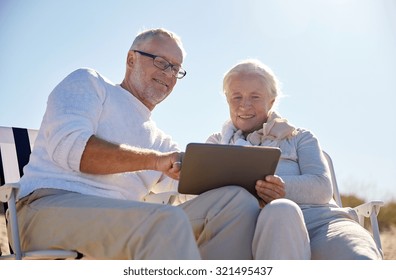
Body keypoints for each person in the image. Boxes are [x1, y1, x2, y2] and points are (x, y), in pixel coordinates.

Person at [14, 28, 260, 260]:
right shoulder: (90, 83)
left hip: (123, 223)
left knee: (237, 203)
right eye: (161, 62)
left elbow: (187, 191)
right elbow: (71, 149)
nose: (168, 73)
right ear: (131, 59)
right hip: (46, 208)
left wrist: (253, 183)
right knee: (166, 221)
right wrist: (154, 161)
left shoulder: (160, 141)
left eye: (176, 68)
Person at [206, 59, 382, 260]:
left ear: (271, 101)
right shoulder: (217, 143)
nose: (244, 105)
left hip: (320, 223)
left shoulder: (299, 137)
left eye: (255, 96)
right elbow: (201, 195)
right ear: (227, 99)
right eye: (236, 97)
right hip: (256, 228)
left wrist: (281, 188)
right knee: (281, 211)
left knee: (359, 259)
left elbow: (322, 187)